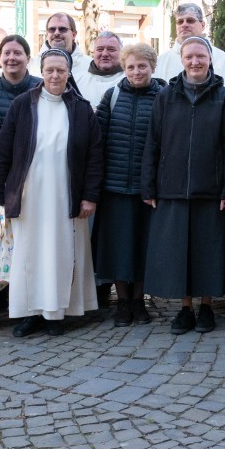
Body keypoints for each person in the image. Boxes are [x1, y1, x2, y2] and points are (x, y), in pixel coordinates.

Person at [0, 48, 103, 336]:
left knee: (61, 253)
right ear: (41, 72)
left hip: (66, 195)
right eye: (50, 70)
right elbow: (3, 152)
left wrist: (89, 196)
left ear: (69, 73)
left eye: (61, 70)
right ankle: (31, 312)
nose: (55, 75)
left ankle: (57, 314)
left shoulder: (81, 109)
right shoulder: (22, 105)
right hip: (29, 195)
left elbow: (94, 157)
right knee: (30, 254)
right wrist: (0, 198)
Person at [141, 36, 225, 335]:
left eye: (201, 56)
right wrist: (149, 187)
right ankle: (185, 308)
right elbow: (153, 143)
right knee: (179, 252)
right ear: (182, 60)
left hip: (211, 189)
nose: (195, 62)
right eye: (189, 57)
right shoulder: (165, 96)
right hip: (171, 188)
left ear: (210, 59)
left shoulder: (224, 98)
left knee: (207, 252)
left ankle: (207, 306)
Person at [93, 43, 162, 327]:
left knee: (144, 247)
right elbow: (98, 140)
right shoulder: (112, 96)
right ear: (124, 67)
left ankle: (139, 301)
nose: (136, 71)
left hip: (149, 189)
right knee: (119, 248)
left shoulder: (164, 97)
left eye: (142, 66)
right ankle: (122, 302)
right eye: (131, 66)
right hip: (115, 187)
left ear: (152, 68)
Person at [158, 3, 225, 81]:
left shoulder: (222, 58)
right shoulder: (161, 62)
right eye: (180, 22)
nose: (184, 25)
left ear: (203, 25)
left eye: (190, 21)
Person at [0, 34, 41, 119]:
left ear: (28, 58)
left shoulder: (41, 88)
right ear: (0, 57)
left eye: (17, 53)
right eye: (7, 53)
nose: (11, 58)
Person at [31, 12, 90, 87]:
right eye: (52, 29)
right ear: (47, 34)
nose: (56, 33)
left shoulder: (89, 66)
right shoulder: (32, 66)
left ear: (74, 35)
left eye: (62, 29)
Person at [79, 31, 125, 108]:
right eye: (100, 49)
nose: (104, 54)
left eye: (111, 49)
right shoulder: (80, 81)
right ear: (93, 52)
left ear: (121, 52)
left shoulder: (132, 80)